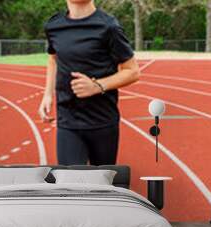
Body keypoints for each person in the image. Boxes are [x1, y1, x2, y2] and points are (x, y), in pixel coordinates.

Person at [38, 0, 140, 166]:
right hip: (68, 119)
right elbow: (54, 59)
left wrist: (97, 86)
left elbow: (133, 71)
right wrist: (47, 95)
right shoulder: (53, 26)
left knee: (101, 185)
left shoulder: (109, 27)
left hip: (102, 120)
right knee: (69, 182)